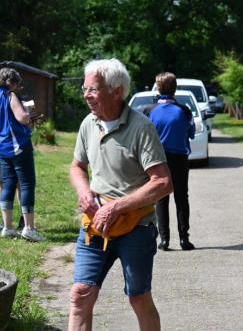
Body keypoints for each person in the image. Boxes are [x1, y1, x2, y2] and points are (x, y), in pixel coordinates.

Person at [68, 58, 172, 331]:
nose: (86, 95)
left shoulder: (142, 128)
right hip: (94, 226)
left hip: (136, 228)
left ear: (116, 90)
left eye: (93, 89)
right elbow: (77, 166)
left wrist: (116, 207)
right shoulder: (88, 124)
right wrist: (84, 192)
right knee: (80, 294)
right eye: (85, 88)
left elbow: (162, 182)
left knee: (138, 298)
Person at [0, 68, 43, 241]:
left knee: (8, 183)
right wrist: (29, 114)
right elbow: (22, 118)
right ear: (9, 82)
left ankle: (8, 227)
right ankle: (29, 228)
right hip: (18, 146)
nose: (17, 86)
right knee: (26, 184)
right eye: (16, 82)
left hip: (0, 147)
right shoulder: (10, 96)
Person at [148, 72, 196, 251]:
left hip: (158, 159)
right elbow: (191, 133)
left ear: (158, 88)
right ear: (175, 88)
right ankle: (184, 239)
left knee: (161, 198)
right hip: (179, 158)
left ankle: (164, 240)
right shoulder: (184, 111)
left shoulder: (149, 111)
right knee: (181, 198)